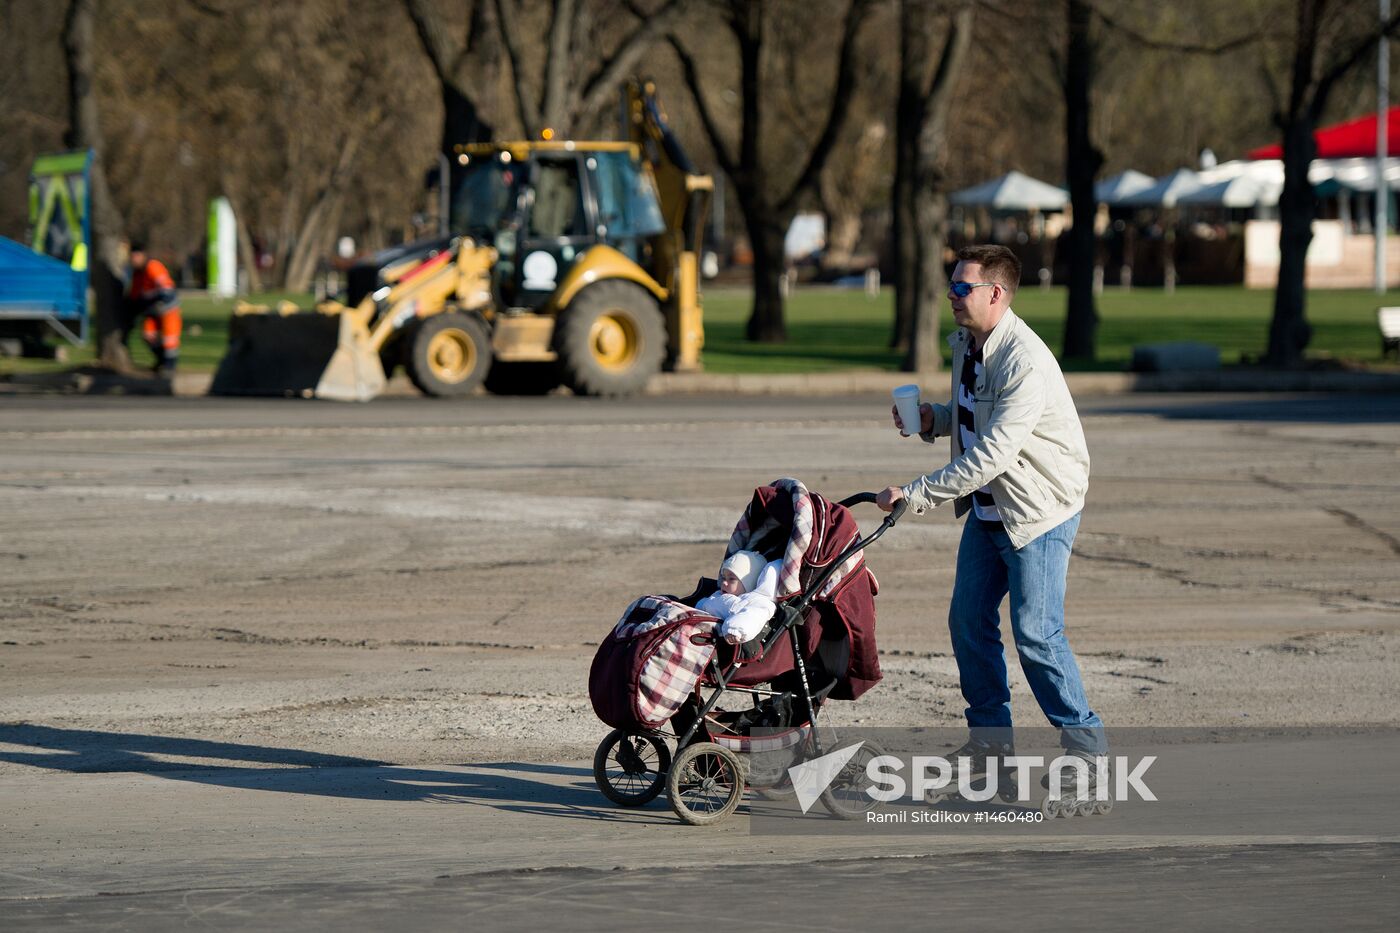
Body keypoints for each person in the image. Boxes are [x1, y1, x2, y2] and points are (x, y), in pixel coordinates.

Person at [876, 244, 1105, 780]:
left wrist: (916, 494)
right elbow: (978, 412)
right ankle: (992, 746)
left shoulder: (1024, 359)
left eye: (963, 288)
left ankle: (1088, 752)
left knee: (1036, 632)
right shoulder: (970, 344)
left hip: (1037, 510)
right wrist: (936, 417)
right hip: (990, 508)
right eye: (951, 286)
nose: (951, 297)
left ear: (996, 293)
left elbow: (996, 451)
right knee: (967, 621)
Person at [695, 549, 779, 644]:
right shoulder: (719, 594)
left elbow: (753, 616)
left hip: (722, 638)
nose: (724, 582)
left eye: (731, 579)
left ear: (749, 583)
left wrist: (735, 630)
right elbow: (707, 603)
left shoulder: (757, 601)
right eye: (723, 577)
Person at [124, 241, 183, 378]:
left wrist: (156, 301)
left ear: (143, 255)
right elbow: (135, 296)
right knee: (148, 335)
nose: (134, 260)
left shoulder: (153, 267)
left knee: (170, 338)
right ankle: (162, 360)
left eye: (136, 256)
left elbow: (166, 290)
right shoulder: (137, 273)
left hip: (167, 309)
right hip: (152, 311)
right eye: (132, 257)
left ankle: (169, 366)